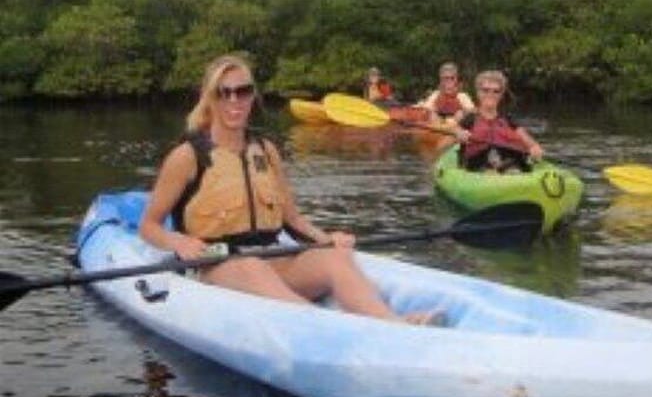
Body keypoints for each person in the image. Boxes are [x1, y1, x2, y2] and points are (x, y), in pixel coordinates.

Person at [139, 55, 435, 324]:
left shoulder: (266, 150)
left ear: (253, 96)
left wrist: (327, 240)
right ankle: (328, 327)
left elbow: (292, 219)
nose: (234, 101)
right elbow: (149, 226)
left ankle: (394, 324)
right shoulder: (187, 156)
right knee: (251, 267)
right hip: (218, 265)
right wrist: (178, 242)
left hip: (272, 258)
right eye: (223, 92)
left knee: (335, 259)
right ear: (209, 99)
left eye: (242, 91)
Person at [454, 70, 544, 173]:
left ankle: (513, 172)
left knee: (513, 166)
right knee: (489, 170)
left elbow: (529, 141)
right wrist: (459, 134)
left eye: (496, 91)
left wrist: (534, 148)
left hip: (509, 162)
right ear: (478, 92)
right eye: (485, 90)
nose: (490, 94)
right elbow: (456, 132)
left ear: (501, 94)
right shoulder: (469, 119)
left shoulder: (508, 120)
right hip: (479, 165)